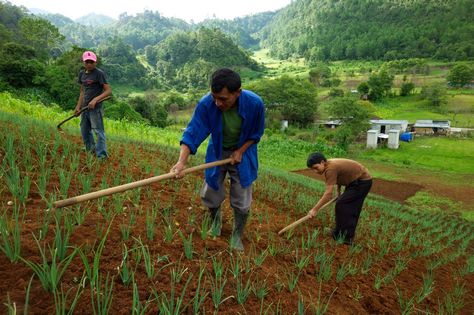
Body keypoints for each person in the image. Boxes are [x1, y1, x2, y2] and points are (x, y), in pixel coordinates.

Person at [171, 68, 265, 251]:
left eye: (223, 99)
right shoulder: (207, 104)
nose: (218, 102)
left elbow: (256, 134)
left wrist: (240, 151)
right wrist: (181, 162)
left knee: (242, 199)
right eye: (214, 96)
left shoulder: (255, 104)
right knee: (211, 191)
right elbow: (193, 132)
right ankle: (216, 220)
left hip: (243, 154)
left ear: (237, 92)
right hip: (218, 150)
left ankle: (237, 233)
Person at [306, 152, 372, 245]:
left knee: (346, 206)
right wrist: (338, 193)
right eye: (312, 169)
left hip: (362, 182)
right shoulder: (328, 164)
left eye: (316, 168)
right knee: (343, 204)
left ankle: (346, 238)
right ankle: (339, 233)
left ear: (322, 162)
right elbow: (340, 177)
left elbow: (328, 193)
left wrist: (314, 209)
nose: (315, 171)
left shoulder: (330, 169)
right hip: (354, 181)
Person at [74, 50, 112, 159]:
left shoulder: (99, 73)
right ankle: (90, 149)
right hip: (85, 108)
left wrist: (95, 100)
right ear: (83, 62)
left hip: (95, 109)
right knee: (84, 129)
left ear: (95, 62)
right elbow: (82, 91)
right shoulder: (81, 73)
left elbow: (108, 91)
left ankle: (102, 155)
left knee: (98, 131)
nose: (89, 64)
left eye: (91, 62)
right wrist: (78, 106)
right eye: (87, 62)